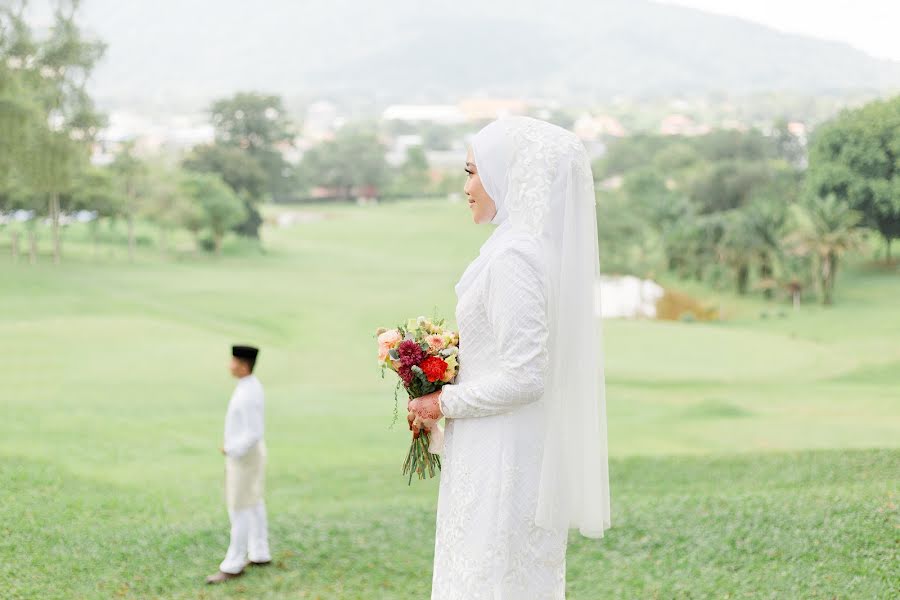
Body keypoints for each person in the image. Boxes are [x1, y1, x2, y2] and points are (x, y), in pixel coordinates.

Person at [408, 117, 612, 598]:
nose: (467, 187)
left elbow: (526, 376)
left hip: (503, 451)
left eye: (473, 172)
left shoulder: (516, 258)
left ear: (507, 176)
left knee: (492, 576)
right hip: (493, 440)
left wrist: (441, 402)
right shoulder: (519, 247)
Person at [206, 345, 272, 584]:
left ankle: (233, 564)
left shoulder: (248, 392)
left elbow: (254, 432)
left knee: (239, 508)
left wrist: (230, 449)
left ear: (243, 365)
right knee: (253, 503)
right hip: (249, 455)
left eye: (232, 361)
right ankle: (260, 552)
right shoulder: (250, 386)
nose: (228, 365)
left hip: (244, 457)